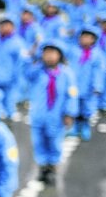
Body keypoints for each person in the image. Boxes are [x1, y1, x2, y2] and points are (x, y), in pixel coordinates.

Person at [25, 40, 79, 185]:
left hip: (56, 116)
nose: (49, 56)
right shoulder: (37, 71)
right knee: (38, 142)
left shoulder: (67, 74)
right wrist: (32, 56)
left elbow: (72, 94)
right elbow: (26, 72)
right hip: (38, 115)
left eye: (53, 53)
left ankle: (52, 169)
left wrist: (69, 113)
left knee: (54, 142)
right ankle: (42, 168)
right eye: (46, 53)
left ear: (60, 55)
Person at [0, 16, 29, 119]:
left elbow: (22, 61)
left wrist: (18, 76)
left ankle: (10, 113)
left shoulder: (17, 42)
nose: (4, 28)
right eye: (2, 25)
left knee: (10, 97)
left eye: (7, 25)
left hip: (9, 76)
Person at [67, 26, 106, 141]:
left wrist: (97, 85)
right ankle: (74, 127)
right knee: (73, 106)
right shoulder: (74, 51)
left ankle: (84, 126)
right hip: (75, 86)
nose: (84, 39)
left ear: (93, 40)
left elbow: (99, 71)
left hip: (89, 87)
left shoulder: (97, 55)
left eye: (88, 37)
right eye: (82, 36)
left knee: (87, 107)